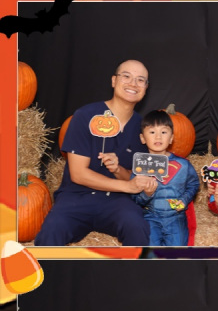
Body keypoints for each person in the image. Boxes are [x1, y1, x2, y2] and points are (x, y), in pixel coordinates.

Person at [34, 60, 157, 246]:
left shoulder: (144, 128)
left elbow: (134, 178)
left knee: (137, 227)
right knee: (51, 232)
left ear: (146, 88)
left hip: (117, 201)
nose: (133, 83)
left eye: (141, 80)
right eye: (126, 76)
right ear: (114, 81)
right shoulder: (85, 115)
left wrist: (119, 170)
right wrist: (127, 186)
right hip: (76, 197)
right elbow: (78, 174)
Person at [134, 111, 199, 245]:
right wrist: (146, 195)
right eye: (152, 132)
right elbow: (134, 197)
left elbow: (194, 184)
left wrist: (184, 200)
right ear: (142, 138)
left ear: (171, 138)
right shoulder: (140, 166)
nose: (158, 136)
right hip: (150, 216)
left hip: (176, 217)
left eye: (163, 132)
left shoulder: (183, 165)